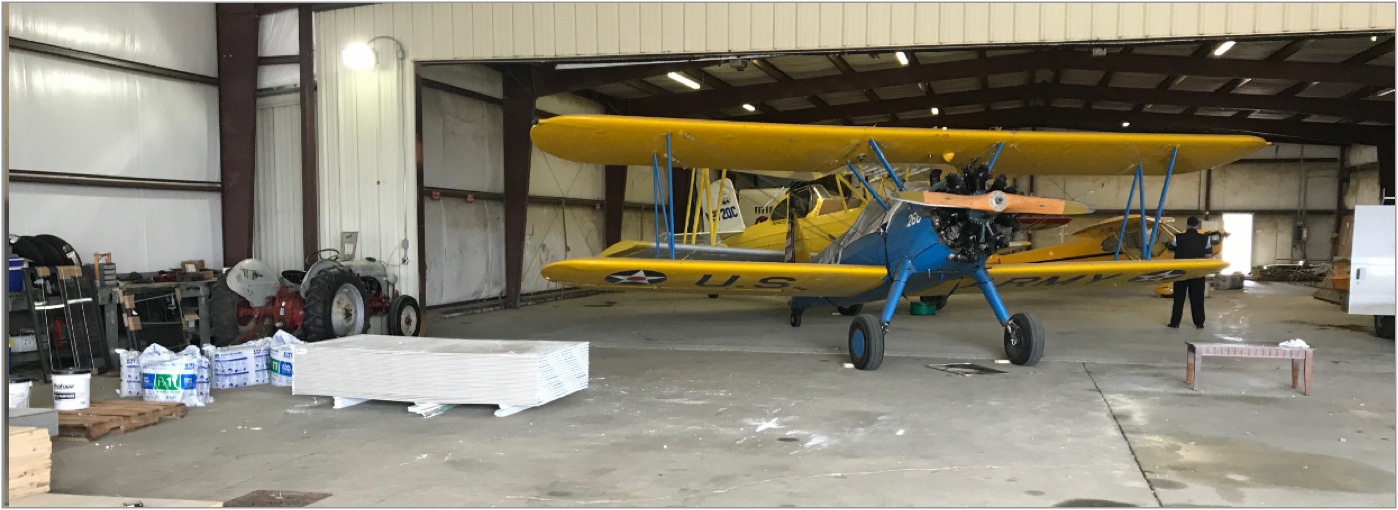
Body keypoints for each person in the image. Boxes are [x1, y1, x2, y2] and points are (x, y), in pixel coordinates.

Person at [1165, 216, 1213, 329]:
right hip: (1197, 272)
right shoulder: (1205, 238)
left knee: (1179, 298)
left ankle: (1175, 322)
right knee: (1197, 298)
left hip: (1181, 272)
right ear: (1197, 226)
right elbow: (1209, 254)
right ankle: (1199, 323)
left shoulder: (1178, 237)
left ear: (1187, 225)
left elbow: (1169, 249)